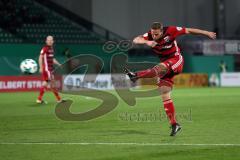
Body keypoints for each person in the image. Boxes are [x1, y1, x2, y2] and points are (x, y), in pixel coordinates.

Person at [124, 22, 216, 136]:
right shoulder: (149, 36)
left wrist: (206, 33)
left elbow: (188, 30)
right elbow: (136, 40)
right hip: (166, 66)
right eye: (153, 34)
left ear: (162, 31)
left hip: (176, 60)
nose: (154, 36)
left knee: (159, 68)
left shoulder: (171, 31)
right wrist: (147, 41)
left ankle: (136, 75)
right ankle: (175, 124)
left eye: (156, 34)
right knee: (164, 93)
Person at [37, 35, 62, 104]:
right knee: (49, 82)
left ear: (53, 41)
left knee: (50, 83)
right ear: (46, 41)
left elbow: (52, 59)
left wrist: (58, 64)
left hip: (50, 69)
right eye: (48, 40)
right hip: (47, 69)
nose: (50, 41)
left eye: (51, 40)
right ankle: (58, 99)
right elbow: (40, 57)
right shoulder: (44, 48)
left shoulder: (51, 49)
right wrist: (41, 67)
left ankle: (40, 99)